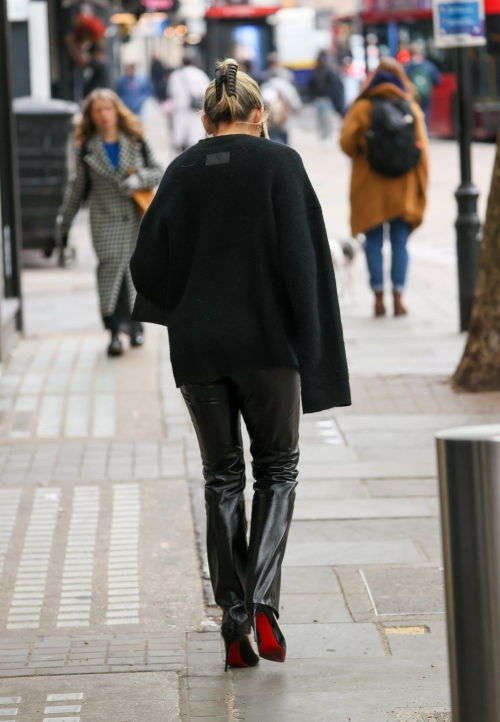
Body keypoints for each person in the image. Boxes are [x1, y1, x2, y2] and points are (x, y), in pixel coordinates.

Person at [130, 58, 350, 670]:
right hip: (269, 347)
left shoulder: (179, 170)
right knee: (277, 470)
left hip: (199, 350)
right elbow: (307, 265)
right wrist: (312, 344)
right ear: (261, 116)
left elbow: (145, 269)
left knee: (221, 477)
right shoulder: (282, 165)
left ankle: (232, 618)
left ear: (205, 118)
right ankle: (262, 605)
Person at [58, 89, 163, 356]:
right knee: (109, 272)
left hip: (135, 219)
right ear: (91, 116)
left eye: (108, 109)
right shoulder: (86, 149)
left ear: (117, 111)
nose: (104, 115)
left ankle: (137, 327)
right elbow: (77, 189)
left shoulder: (135, 139)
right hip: (104, 219)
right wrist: (64, 225)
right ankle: (114, 332)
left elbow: (159, 171)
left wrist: (138, 179)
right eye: (98, 111)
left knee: (135, 272)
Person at [339, 57, 429, 317]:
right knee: (400, 242)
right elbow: (423, 152)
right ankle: (398, 298)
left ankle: (378, 299)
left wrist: (363, 148)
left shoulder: (363, 106)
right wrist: (421, 186)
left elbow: (345, 143)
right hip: (403, 185)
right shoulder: (409, 105)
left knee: (373, 242)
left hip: (370, 185)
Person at [167, 56, 211, 154]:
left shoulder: (175, 75)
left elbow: (171, 91)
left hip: (179, 109)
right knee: (194, 136)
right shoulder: (199, 74)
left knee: (180, 135)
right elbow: (207, 90)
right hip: (195, 109)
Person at [308, 51, 345, 142]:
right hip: (318, 99)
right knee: (320, 119)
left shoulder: (328, 72)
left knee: (327, 119)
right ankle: (322, 136)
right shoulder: (316, 72)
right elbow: (311, 86)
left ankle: (327, 136)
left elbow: (334, 87)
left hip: (326, 99)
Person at [261, 71, 302, 145]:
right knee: (284, 138)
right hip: (284, 118)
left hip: (270, 119)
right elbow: (293, 99)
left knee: (272, 138)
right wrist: (297, 109)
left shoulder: (266, 85)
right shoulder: (285, 85)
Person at [405, 43, 441, 127]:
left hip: (412, 95)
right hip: (426, 94)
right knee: (425, 115)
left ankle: (415, 135)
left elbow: (403, 80)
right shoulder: (429, 65)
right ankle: (424, 135)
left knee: (413, 114)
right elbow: (438, 80)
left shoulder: (408, 66)